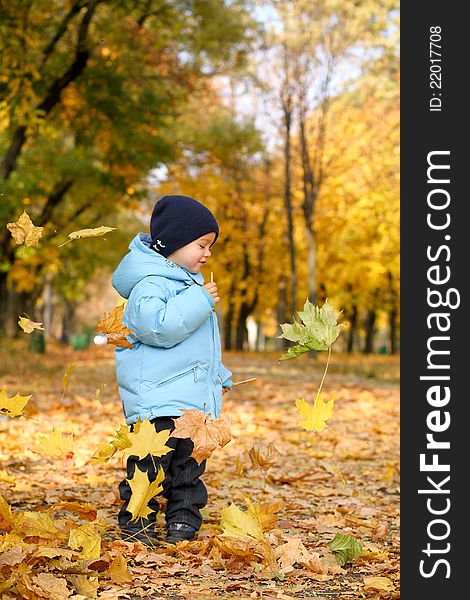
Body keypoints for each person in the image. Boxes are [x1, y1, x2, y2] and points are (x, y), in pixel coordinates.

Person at [111, 194, 233, 546]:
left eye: (209, 246)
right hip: (157, 397)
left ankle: (183, 518)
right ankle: (137, 520)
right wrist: (199, 301)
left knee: (188, 468)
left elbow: (197, 345)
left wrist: (217, 375)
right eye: (201, 244)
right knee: (148, 464)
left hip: (190, 399)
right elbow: (158, 329)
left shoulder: (186, 283)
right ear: (175, 242)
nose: (207, 253)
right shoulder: (149, 285)